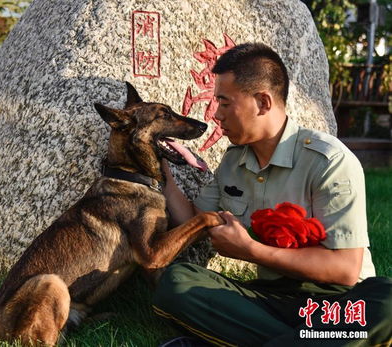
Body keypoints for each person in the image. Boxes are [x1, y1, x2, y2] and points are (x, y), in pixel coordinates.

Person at [153, 43, 391, 347]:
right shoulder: (233, 161)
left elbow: (344, 270)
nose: (216, 115)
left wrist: (250, 250)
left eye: (225, 103)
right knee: (177, 282)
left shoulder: (329, 161)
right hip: (273, 296)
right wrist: (161, 169)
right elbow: (191, 220)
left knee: (387, 302)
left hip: (339, 301)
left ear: (262, 102)